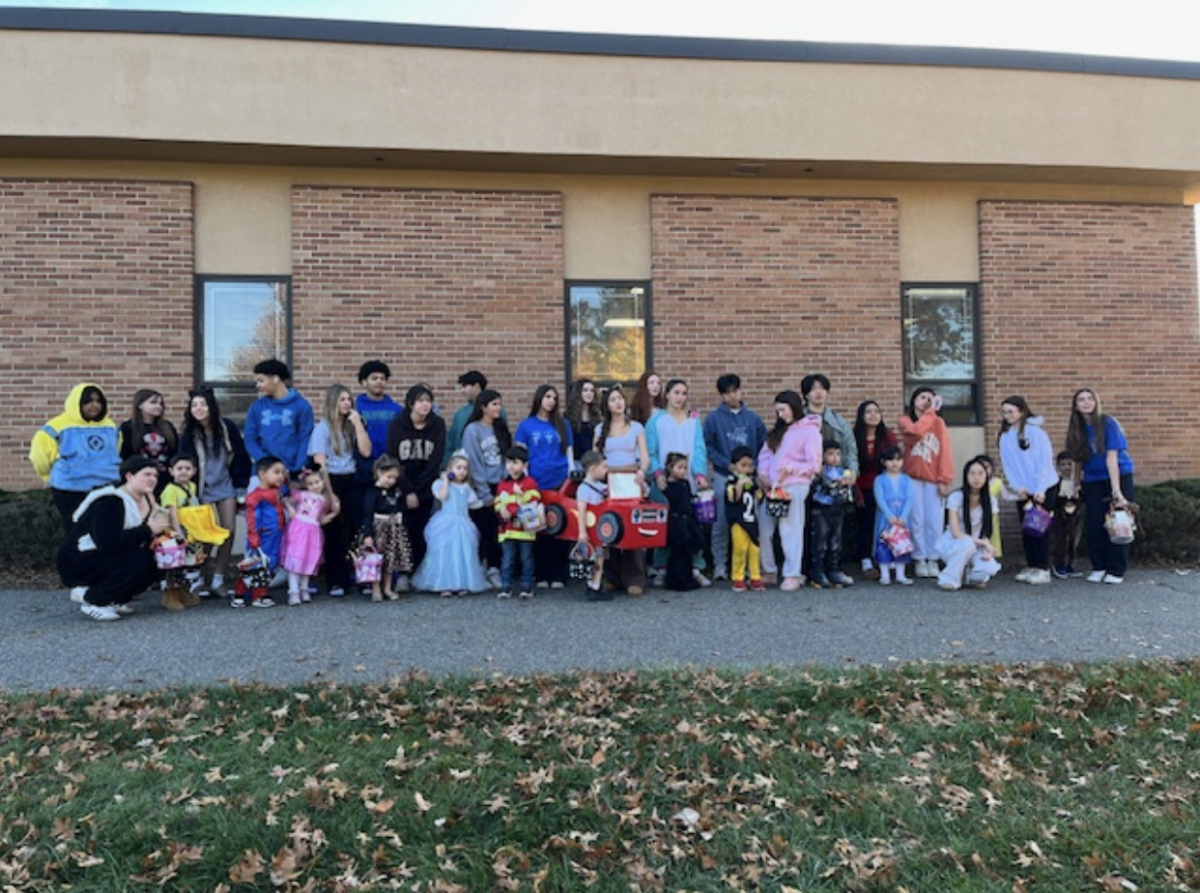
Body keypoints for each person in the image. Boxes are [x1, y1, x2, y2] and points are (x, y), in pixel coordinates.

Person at [59, 455, 168, 621]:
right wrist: (148, 530)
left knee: (158, 557)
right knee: (137, 558)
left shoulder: (148, 500)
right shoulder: (109, 501)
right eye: (147, 474)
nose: (152, 479)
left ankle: (116, 598)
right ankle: (95, 600)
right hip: (79, 559)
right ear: (129, 476)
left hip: (108, 554)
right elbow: (107, 542)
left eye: (155, 476)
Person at [178, 387, 251, 597]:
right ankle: (196, 578)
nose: (198, 409)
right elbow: (183, 462)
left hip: (225, 485)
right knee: (204, 535)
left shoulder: (226, 427)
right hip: (200, 489)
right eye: (194, 405)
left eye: (203, 404)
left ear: (211, 406)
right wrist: (188, 491)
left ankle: (218, 578)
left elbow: (240, 456)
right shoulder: (189, 433)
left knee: (228, 531)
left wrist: (240, 486)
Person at [1065, 387, 1136, 585]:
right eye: (1081, 399)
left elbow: (1111, 458)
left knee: (1117, 523)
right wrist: (1076, 483)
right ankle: (1099, 567)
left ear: (1096, 402)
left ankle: (1116, 569)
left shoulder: (1108, 423)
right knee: (1095, 523)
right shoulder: (1076, 429)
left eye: (1090, 398)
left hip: (1118, 475)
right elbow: (1078, 460)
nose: (1086, 402)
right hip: (1093, 479)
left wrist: (1117, 491)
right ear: (1076, 406)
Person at [703, 374, 768, 583]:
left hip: (750, 478)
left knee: (749, 522)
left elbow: (763, 447)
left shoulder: (753, 419)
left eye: (735, 391)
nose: (732, 396)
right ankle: (720, 564)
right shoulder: (713, 419)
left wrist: (754, 469)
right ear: (722, 395)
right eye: (727, 393)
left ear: (741, 391)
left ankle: (751, 567)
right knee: (721, 522)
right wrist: (726, 464)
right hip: (724, 476)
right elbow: (708, 447)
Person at [31, 382, 121, 529]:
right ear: (77, 403)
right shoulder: (56, 426)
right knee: (76, 531)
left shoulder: (110, 426)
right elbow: (39, 456)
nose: (95, 405)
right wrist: (50, 476)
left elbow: (116, 451)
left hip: (103, 488)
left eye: (98, 401)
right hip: (69, 490)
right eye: (88, 401)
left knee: (102, 531)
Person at [756, 390, 822, 591]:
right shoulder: (778, 432)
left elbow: (814, 465)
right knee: (763, 527)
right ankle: (768, 570)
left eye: (783, 410)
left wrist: (791, 469)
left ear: (794, 407)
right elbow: (765, 455)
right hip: (772, 488)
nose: (780, 415)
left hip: (795, 486)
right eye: (777, 411)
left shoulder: (810, 432)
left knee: (790, 530)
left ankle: (792, 573)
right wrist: (763, 473)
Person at [310, 384, 371, 596]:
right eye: (343, 399)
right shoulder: (322, 429)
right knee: (333, 531)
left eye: (349, 399)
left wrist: (358, 424)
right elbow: (320, 465)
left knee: (359, 527)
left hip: (352, 479)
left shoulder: (351, 426)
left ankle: (364, 577)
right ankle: (337, 581)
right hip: (332, 480)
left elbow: (366, 451)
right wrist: (329, 494)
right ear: (333, 402)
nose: (347, 403)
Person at [647, 378, 710, 584]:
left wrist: (699, 474)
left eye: (684, 393)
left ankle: (695, 566)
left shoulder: (693, 420)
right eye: (676, 392)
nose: (680, 398)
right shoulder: (656, 421)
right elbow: (651, 450)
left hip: (688, 480)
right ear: (666, 394)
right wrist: (657, 473)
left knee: (692, 524)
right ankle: (662, 566)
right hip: (665, 481)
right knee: (665, 523)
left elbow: (699, 448)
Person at [594, 384, 650, 596]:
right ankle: (611, 576)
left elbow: (644, 457)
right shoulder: (600, 430)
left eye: (620, 398)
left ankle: (634, 577)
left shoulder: (636, 427)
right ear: (607, 405)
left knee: (631, 528)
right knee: (609, 529)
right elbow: (594, 458)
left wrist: (642, 472)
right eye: (613, 400)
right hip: (609, 482)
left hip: (630, 481)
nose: (618, 402)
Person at [515, 384, 573, 588]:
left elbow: (569, 451)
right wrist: (525, 481)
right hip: (535, 483)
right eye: (548, 396)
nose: (551, 401)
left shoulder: (562, 424)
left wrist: (571, 474)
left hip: (559, 481)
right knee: (538, 527)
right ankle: (541, 575)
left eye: (554, 398)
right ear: (539, 398)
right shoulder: (526, 426)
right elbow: (520, 455)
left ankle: (559, 575)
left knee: (559, 526)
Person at [998, 396, 1060, 585]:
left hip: (1044, 487)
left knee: (1040, 527)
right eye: (1004, 412)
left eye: (1011, 411)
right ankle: (1032, 564)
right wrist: (1018, 487)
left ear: (1022, 412)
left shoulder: (1036, 433)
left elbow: (1044, 462)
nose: (1007, 415)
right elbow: (1007, 465)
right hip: (1024, 490)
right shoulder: (1005, 436)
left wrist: (1040, 488)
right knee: (1027, 527)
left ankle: (1043, 567)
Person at [386, 383, 447, 573]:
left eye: (428, 401)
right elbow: (393, 458)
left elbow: (435, 460)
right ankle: (403, 573)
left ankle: (421, 572)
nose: (425, 405)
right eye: (421, 401)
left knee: (424, 529)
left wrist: (419, 491)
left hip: (427, 486)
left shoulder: (438, 425)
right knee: (404, 529)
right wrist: (408, 490)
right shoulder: (397, 424)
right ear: (411, 403)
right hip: (402, 485)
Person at [411, 451, 488, 597]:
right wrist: (446, 480)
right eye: (458, 467)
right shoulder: (440, 484)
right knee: (444, 552)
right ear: (450, 469)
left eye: (465, 468)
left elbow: (473, 503)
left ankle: (463, 583)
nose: (462, 471)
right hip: (446, 521)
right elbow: (442, 496)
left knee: (462, 552)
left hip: (463, 523)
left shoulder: (466, 488)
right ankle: (444, 583)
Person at [897, 386, 954, 579]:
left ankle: (933, 558)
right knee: (916, 519)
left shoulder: (939, 424)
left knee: (934, 521)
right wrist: (930, 412)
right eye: (922, 398)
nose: (926, 402)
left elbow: (945, 451)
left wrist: (945, 479)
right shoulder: (905, 421)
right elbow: (916, 433)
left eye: (930, 399)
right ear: (913, 400)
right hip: (912, 478)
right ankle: (919, 558)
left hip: (932, 479)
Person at [462, 388, 510, 589]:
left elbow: (508, 457)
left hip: (502, 485)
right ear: (483, 407)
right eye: (494, 404)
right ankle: (482, 568)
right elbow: (473, 462)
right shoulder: (472, 430)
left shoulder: (501, 429)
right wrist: (484, 492)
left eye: (499, 404)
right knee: (485, 529)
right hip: (483, 487)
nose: (498, 408)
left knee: (500, 530)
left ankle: (495, 568)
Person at [935, 457, 1001, 591]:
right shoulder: (956, 497)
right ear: (966, 476)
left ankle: (969, 576)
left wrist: (987, 548)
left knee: (989, 568)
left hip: (977, 545)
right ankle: (948, 579)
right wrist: (983, 543)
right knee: (967, 544)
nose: (976, 478)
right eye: (972, 473)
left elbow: (987, 530)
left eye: (981, 473)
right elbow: (956, 532)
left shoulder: (991, 501)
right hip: (954, 544)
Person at [243, 359, 315, 478]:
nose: (258, 386)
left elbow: (305, 440)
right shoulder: (256, 407)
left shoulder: (301, 406)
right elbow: (250, 439)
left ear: (276, 379)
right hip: (263, 474)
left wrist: (297, 470)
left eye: (261, 381)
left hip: (292, 473)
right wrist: (267, 463)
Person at [233, 456, 288, 608]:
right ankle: (242, 592)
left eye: (283, 472)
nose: (281, 476)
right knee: (256, 566)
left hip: (274, 535)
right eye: (276, 472)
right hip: (261, 537)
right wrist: (253, 538)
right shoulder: (255, 496)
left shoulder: (277, 491)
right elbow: (252, 519)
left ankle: (258, 593)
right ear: (262, 474)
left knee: (268, 565)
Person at [280, 467, 339, 607]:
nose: (315, 486)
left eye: (317, 482)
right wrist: (290, 509)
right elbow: (286, 500)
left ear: (322, 482)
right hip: (298, 528)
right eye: (311, 484)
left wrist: (333, 514)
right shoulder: (301, 495)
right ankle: (293, 591)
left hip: (313, 531)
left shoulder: (323, 500)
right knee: (295, 559)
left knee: (308, 560)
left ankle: (304, 588)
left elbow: (322, 518)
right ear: (306, 486)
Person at [852, 400, 897, 580]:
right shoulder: (855, 437)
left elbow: (895, 461)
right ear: (861, 416)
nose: (873, 415)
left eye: (876, 411)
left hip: (885, 487)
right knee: (866, 523)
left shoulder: (887, 436)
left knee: (885, 524)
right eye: (868, 412)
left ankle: (886, 558)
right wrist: (856, 490)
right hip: (863, 487)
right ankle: (865, 560)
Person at [360, 455, 413, 601]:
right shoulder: (372, 492)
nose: (392, 481)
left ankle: (387, 588)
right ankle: (375, 588)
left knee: (390, 560)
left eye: (394, 478)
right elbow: (367, 513)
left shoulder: (395, 491)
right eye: (388, 477)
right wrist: (367, 534)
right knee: (375, 560)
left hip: (393, 528)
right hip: (378, 529)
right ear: (379, 473)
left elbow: (400, 507)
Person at [157, 452, 204, 609]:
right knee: (175, 565)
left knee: (188, 564)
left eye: (187, 468)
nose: (184, 471)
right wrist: (178, 532)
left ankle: (183, 593)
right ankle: (170, 595)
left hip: (190, 532)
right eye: (179, 468)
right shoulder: (170, 490)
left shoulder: (192, 486)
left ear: (194, 471)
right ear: (171, 471)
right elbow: (172, 512)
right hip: (174, 533)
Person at [494, 444, 540, 599]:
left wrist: (520, 496)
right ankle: (505, 587)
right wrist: (501, 509)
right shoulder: (503, 484)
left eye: (515, 462)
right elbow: (498, 501)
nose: (511, 466)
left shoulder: (529, 483)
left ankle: (527, 587)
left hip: (524, 530)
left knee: (526, 559)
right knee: (507, 559)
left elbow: (533, 503)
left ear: (524, 465)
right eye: (508, 462)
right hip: (506, 529)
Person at [809, 439, 857, 588]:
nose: (835, 457)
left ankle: (834, 570)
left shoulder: (843, 472)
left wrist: (848, 482)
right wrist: (823, 478)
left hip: (838, 508)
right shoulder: (819, 472)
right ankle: (817, 571)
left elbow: (849, 489)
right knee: (820, 540)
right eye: (830, 454)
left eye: (837, 454)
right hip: (821, 508)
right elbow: (814, 490)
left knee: (835, 540)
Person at [117, 388, 178, 493]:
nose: (158, 406)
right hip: (138, 481)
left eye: (160, 403)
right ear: (140, 405)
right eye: (153, 402)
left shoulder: (168, 427)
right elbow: (124, 455)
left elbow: (175, 452)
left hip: (165, 481)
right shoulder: (128, 427)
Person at [872, 445, 915, 586]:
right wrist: (889, 515)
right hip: (886, 518)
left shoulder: (907, 480)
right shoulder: (879, 480)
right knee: (884, 544)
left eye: (898, 459)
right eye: (890, 460)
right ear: (883, 462)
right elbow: (880, 499)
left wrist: (904, 516)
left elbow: (910, 498)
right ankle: (885, 575)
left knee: (901, 545)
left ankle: (900, 574)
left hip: (902, 517)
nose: (894, 463)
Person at [724, 445, 765, 592]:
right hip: (738, 521)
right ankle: (738, 578)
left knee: (754, 550)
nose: (747, 469)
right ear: (734, 466)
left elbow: (759, 498)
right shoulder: (731, 481)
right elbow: (733, 498)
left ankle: (755, 577)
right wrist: (740, 485)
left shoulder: (752, 482)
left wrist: (760, 486)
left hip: (752, 520)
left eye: (750, 465)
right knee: (740, 549)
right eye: (743, 465)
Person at [663, 452, 704, 591]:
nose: (683, 471)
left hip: (687, 519)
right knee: (677, 552)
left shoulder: (685, 483)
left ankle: (686, 577)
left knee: (687, 551)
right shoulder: (669, 485)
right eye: (679, 468)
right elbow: (673, 499)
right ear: (670, 468)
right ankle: (677, 579)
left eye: (685, 468)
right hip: (675, 520)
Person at [575, 450, 611, 601]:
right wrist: (582, 531)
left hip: (598, 529)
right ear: (592, 468)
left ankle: (594, 585)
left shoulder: (599, 486)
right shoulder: (584, 489)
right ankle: (594, 587)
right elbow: (581, 510)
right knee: (596, 559)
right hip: (592, 530)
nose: (606, 470)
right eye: (603, 467)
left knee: (598, 558)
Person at [355, 360, 402, 466]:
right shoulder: (356, 407)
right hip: (362, 464)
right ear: (364, 382)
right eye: (374, 378)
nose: (379, 381)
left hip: (390, 463)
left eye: (382, 378)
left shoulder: (397, 409)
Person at [1051, 452, 1085, 578]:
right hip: (1060, 515)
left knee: (1073, 539)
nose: (1066, 467)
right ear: (1058, 467)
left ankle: (1070, 563)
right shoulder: (1055, 482)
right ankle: (1059, 564)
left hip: (1076, 515)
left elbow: (1084, 498)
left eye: (1069, 464)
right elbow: (1053, 499)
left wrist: (1077, 497)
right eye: (1063, 465)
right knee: (1060, 540)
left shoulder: (1078, 482)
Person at [446, 370, 492, 460]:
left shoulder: (495, 410)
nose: (462, 391)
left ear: (476, 386)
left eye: (465, 386)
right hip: (463, 467)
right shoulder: (461, 413)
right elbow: (451, 441)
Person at [566, 378, 602, 462]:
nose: (589, 393)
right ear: (578, 393)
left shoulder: (597, 416)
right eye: (585, 390)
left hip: (593, 462)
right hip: (574, 461)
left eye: (592, 391)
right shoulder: (568, 417)